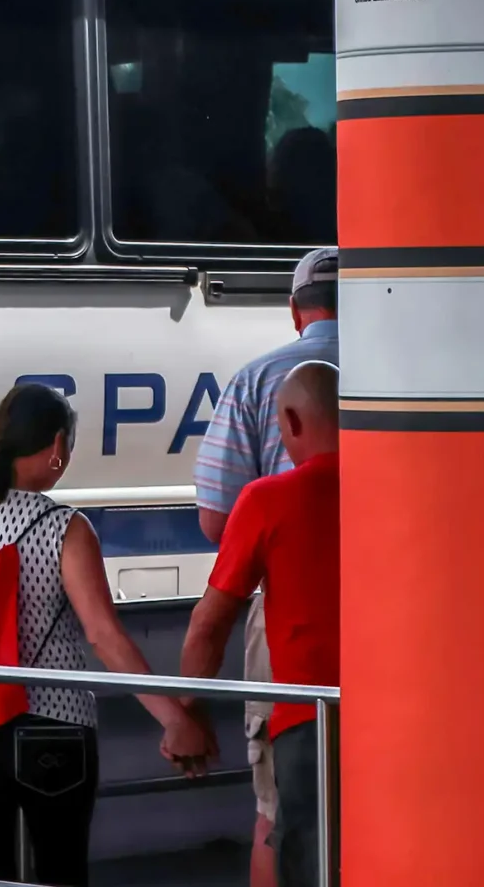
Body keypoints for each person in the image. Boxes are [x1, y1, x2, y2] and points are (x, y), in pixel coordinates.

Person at [0, 384, 182, 887]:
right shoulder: (62, 527)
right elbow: (103, 635)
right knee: (61, 872)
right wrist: (176, 716)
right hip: (50, 725)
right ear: (57, 446)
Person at [194, 246, 339, 886]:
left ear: (294, 310)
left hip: (290, 629)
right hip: (402, 641)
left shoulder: (260, 379)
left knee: (275, 816)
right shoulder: (411, 375)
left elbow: (215, 522)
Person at [166, 362, 341, 887]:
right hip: (401, 714)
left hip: (308, 722)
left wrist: (187, 713)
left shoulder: (268, 499)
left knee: (305, 855)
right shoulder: (402, 485)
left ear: (289, 419)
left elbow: (210, 624)